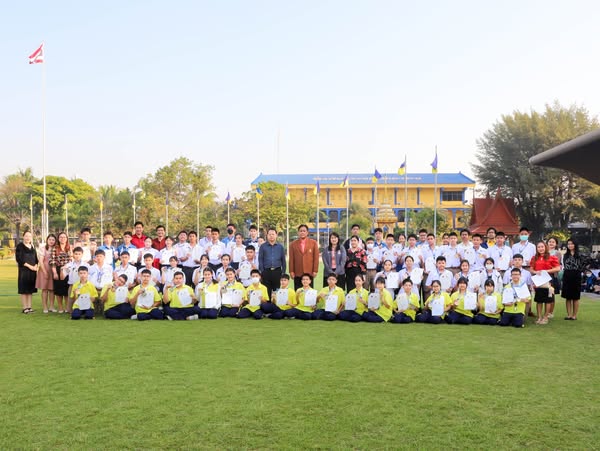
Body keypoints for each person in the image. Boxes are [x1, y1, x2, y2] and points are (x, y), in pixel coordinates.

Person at [530, 241, 560, 325]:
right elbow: (531, 269)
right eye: (539, 247)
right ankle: (539, 317)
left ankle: (545, 317)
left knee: (548, 300)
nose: (540, 248)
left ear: (545, 247)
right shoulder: (534, 258)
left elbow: (558, 268)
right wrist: (536, 272)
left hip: (548, 281)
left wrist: (547, 271)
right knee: (539, 300)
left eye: (542, 247)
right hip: (538, 281)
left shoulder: (551, 257)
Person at [561, 238, 586, 320]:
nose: (570, 245)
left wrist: (579, 271)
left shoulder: (580, 255)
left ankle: (574, 315)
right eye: (568, 244)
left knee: (575, 297)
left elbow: (584, 264)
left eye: (572, 244)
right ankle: (569, 315)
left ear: (575, 244)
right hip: (567, 276)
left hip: (576, 276)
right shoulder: (565, 255)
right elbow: (564, 265)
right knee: (568, 297)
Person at [289, 224, 319, 290]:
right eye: (301, 231)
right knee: (298, 291)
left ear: (307, 232)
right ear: (298, 232)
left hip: (309, 272)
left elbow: (316, 258)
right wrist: (291, 271)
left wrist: (315, 270)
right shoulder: (293, 244)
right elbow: (291, 259)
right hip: (297, 272)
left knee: (309, 292)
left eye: (304, 231)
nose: (302, 232)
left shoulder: (313, 243)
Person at [258, 227, 286, 296]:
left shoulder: (280, 247)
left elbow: (283, 260)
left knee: (277, 293)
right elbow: (260, 259)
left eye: (273, 234)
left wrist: (283, 272)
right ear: (267, 235)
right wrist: (262, 271)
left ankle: (275, 303)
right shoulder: (263, 246)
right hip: (266, 272)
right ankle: (268, 303)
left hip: (277, 272)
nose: (271, 236)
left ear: (276, 235)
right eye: (269, 234)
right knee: (267, 293)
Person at [16, 231, 39, 314]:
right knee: (24, 290)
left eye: (29, 236)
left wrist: (36, 266)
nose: (28, 238)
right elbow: (19, 259)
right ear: (23, 236)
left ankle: (29, 307)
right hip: (24, 271)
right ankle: (25, 308)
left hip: (32, 272)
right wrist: (30, 266)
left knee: (30, 290)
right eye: (26, 236)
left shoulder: (32, 246)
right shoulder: (20, 246)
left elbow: (36, 259)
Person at [50, 231, 71, 313]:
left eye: (64, 237)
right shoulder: (55, 248)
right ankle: (60, 307)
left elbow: (71, 260)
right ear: (58, 239)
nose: (62, 239)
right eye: (61, 237)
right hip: (58, 269)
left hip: (68, 270)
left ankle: (67, 307)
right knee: (59, 290)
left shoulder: (69, 248)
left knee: (66, 289)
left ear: (67, 239)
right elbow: (52, 261)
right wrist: (55, 273)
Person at [88, 249, 114, 315]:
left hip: (104, 289)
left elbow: (110, 278)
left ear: (104, 257)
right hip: (94, 288)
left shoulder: (109, 267)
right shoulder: (91, 267)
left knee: (103, 309)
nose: (99, 258)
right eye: (97, 256)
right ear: (95, 257)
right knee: (95, 310)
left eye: (100, 256)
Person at [36, 234, 56, 313]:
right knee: (45, 289)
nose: (51, 241)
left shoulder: (55, 248)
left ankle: (51, 306)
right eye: (50, 239)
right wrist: (45, 272)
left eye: (53, 240)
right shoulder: (43, 248)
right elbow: (41, 261)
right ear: (47, 240)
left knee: (52, 289)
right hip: (44, 270)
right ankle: (45, 307)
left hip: (53, 270)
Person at [65, 247, 88, 313]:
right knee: (70, 306)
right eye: (76, 254)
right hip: (72, 286)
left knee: (83, 302)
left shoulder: (86, 265)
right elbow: (63, 276)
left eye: (79, 254)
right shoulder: (69, 265)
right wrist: (62, 269)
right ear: (73, 254)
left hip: (83, 286)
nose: (77, 256)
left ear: (82, 254)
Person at [546, 236, 562, 319]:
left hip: (553, 276)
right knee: (544, 294)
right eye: (550, 241)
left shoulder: (557, 253)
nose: (551, 243)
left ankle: (550, 312)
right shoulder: (544, 252)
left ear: (556, 244)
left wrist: (547, 268)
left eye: (553, 242)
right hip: (544, 276)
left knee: (551, 294)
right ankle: (546, 312)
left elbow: (557, 265)